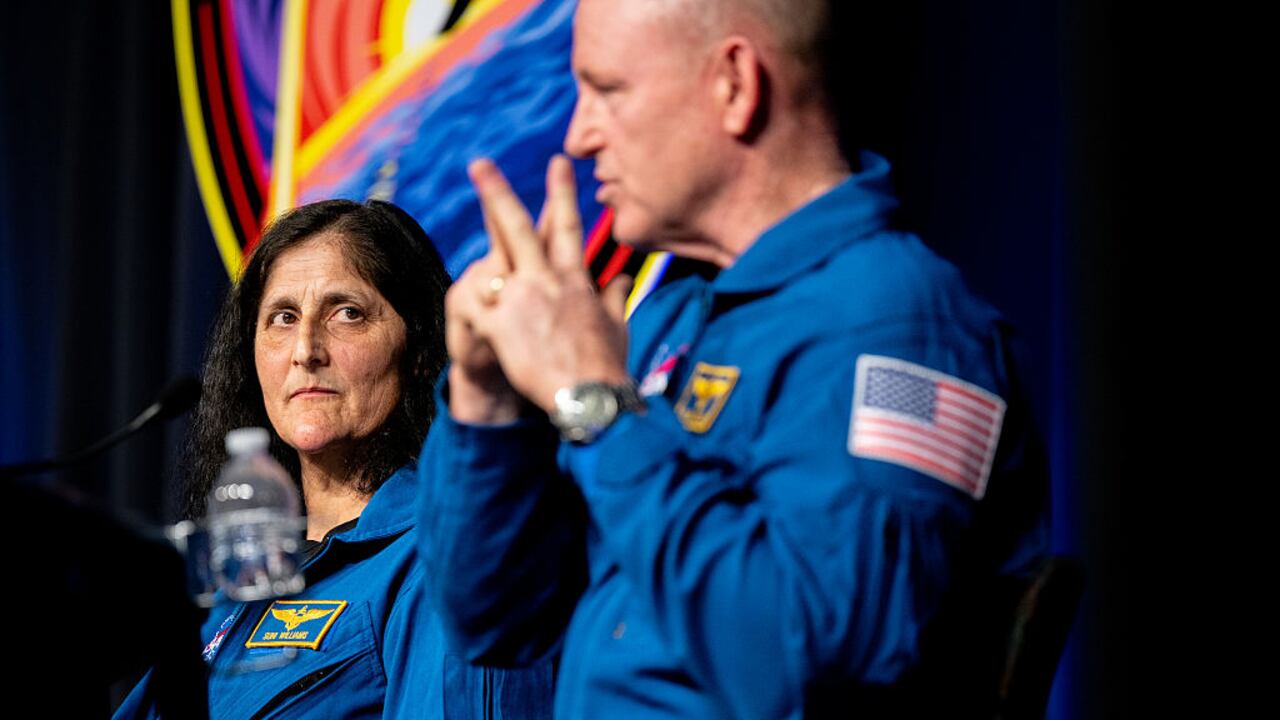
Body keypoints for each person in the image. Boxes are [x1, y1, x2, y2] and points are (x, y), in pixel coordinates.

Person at [421, 0, 1051, 717]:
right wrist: (488, 399)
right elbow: (496, 620)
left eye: (608, 92)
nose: (580, 135)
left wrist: (592, 399)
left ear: (735, 85)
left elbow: (809, 667)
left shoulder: (898, 327)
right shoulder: (674, 317)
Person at [115, 199, 554, 719]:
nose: (305, 349)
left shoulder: (445, 555)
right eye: (282, 317)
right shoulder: (231, 586)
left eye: (347, 313)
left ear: (416, 351)